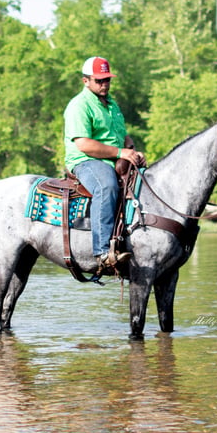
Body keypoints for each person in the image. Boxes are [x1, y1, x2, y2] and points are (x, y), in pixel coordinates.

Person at [64, 56, 145, 274]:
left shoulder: (112, 105)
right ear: (85, 81)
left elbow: (120, 134)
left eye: (107, 80)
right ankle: (102, 252)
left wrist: (131, 148)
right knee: (106, 186)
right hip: (86, 161)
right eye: (99, 80)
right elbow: (83, 143)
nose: (104, 84)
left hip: (112, 159)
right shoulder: (78, 106)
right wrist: (120, 152)